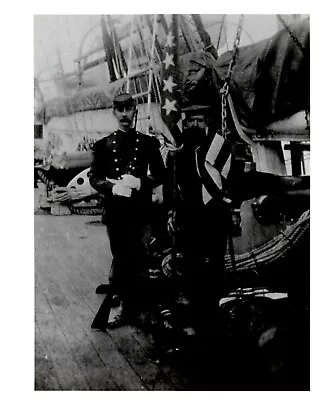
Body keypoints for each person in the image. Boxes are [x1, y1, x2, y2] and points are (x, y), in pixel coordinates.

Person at [88, 93, 166, 327]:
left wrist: (141, 182)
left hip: (140, 212)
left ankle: (139, 307)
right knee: (121, 257)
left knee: (141, 257)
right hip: (116, 212)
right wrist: (112, 188)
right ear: (114, 113)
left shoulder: (149, 144)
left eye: (128, 109)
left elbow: (161, 174)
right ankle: (122, 305)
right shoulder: (103, 146)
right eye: (119, 110)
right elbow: (94, 177)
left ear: (135, 112)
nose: (124, 114)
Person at [165, 104, 231, 338]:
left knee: (213, 269)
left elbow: (230, 182)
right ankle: (191, 320)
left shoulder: (217, 147)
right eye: (190, 120)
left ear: (208, 123)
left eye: (199, 120)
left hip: (214, 218)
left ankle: (213, 320)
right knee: (190, 269)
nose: (194, 125)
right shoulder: (181, 151)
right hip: (189, 217)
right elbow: (173, 186)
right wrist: (172, 213)